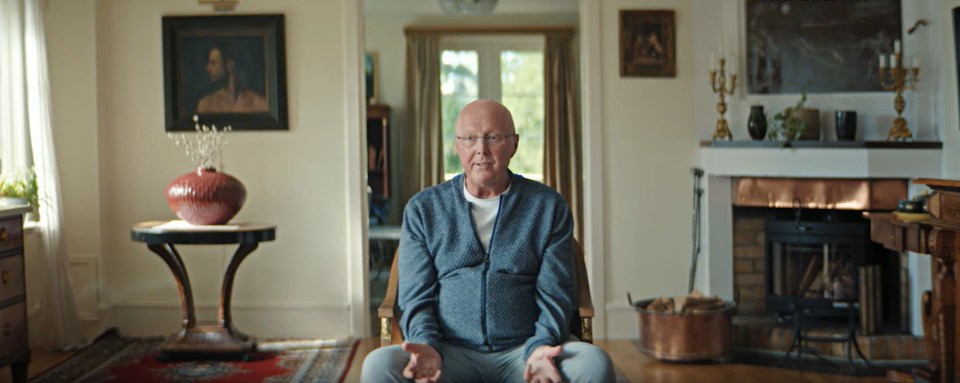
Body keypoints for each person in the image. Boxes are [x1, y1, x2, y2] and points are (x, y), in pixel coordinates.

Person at [361, 99, 614, 383]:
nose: (480, 149)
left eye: (493, 137)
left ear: (514, 145)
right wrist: (427, 345)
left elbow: (556, 294)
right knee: (377, 365)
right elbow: (415, 296)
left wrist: (541, 345)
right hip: (446, 353)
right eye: (470, 138)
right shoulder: (424, 209)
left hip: (525, 352)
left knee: (595, 364)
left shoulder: (547, 207)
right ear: (458, 145)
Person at [195, 43, 269, 114]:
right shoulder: (206, 105)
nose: (208, 68)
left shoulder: (259, 104)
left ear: (230, 65)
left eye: (213, 63)